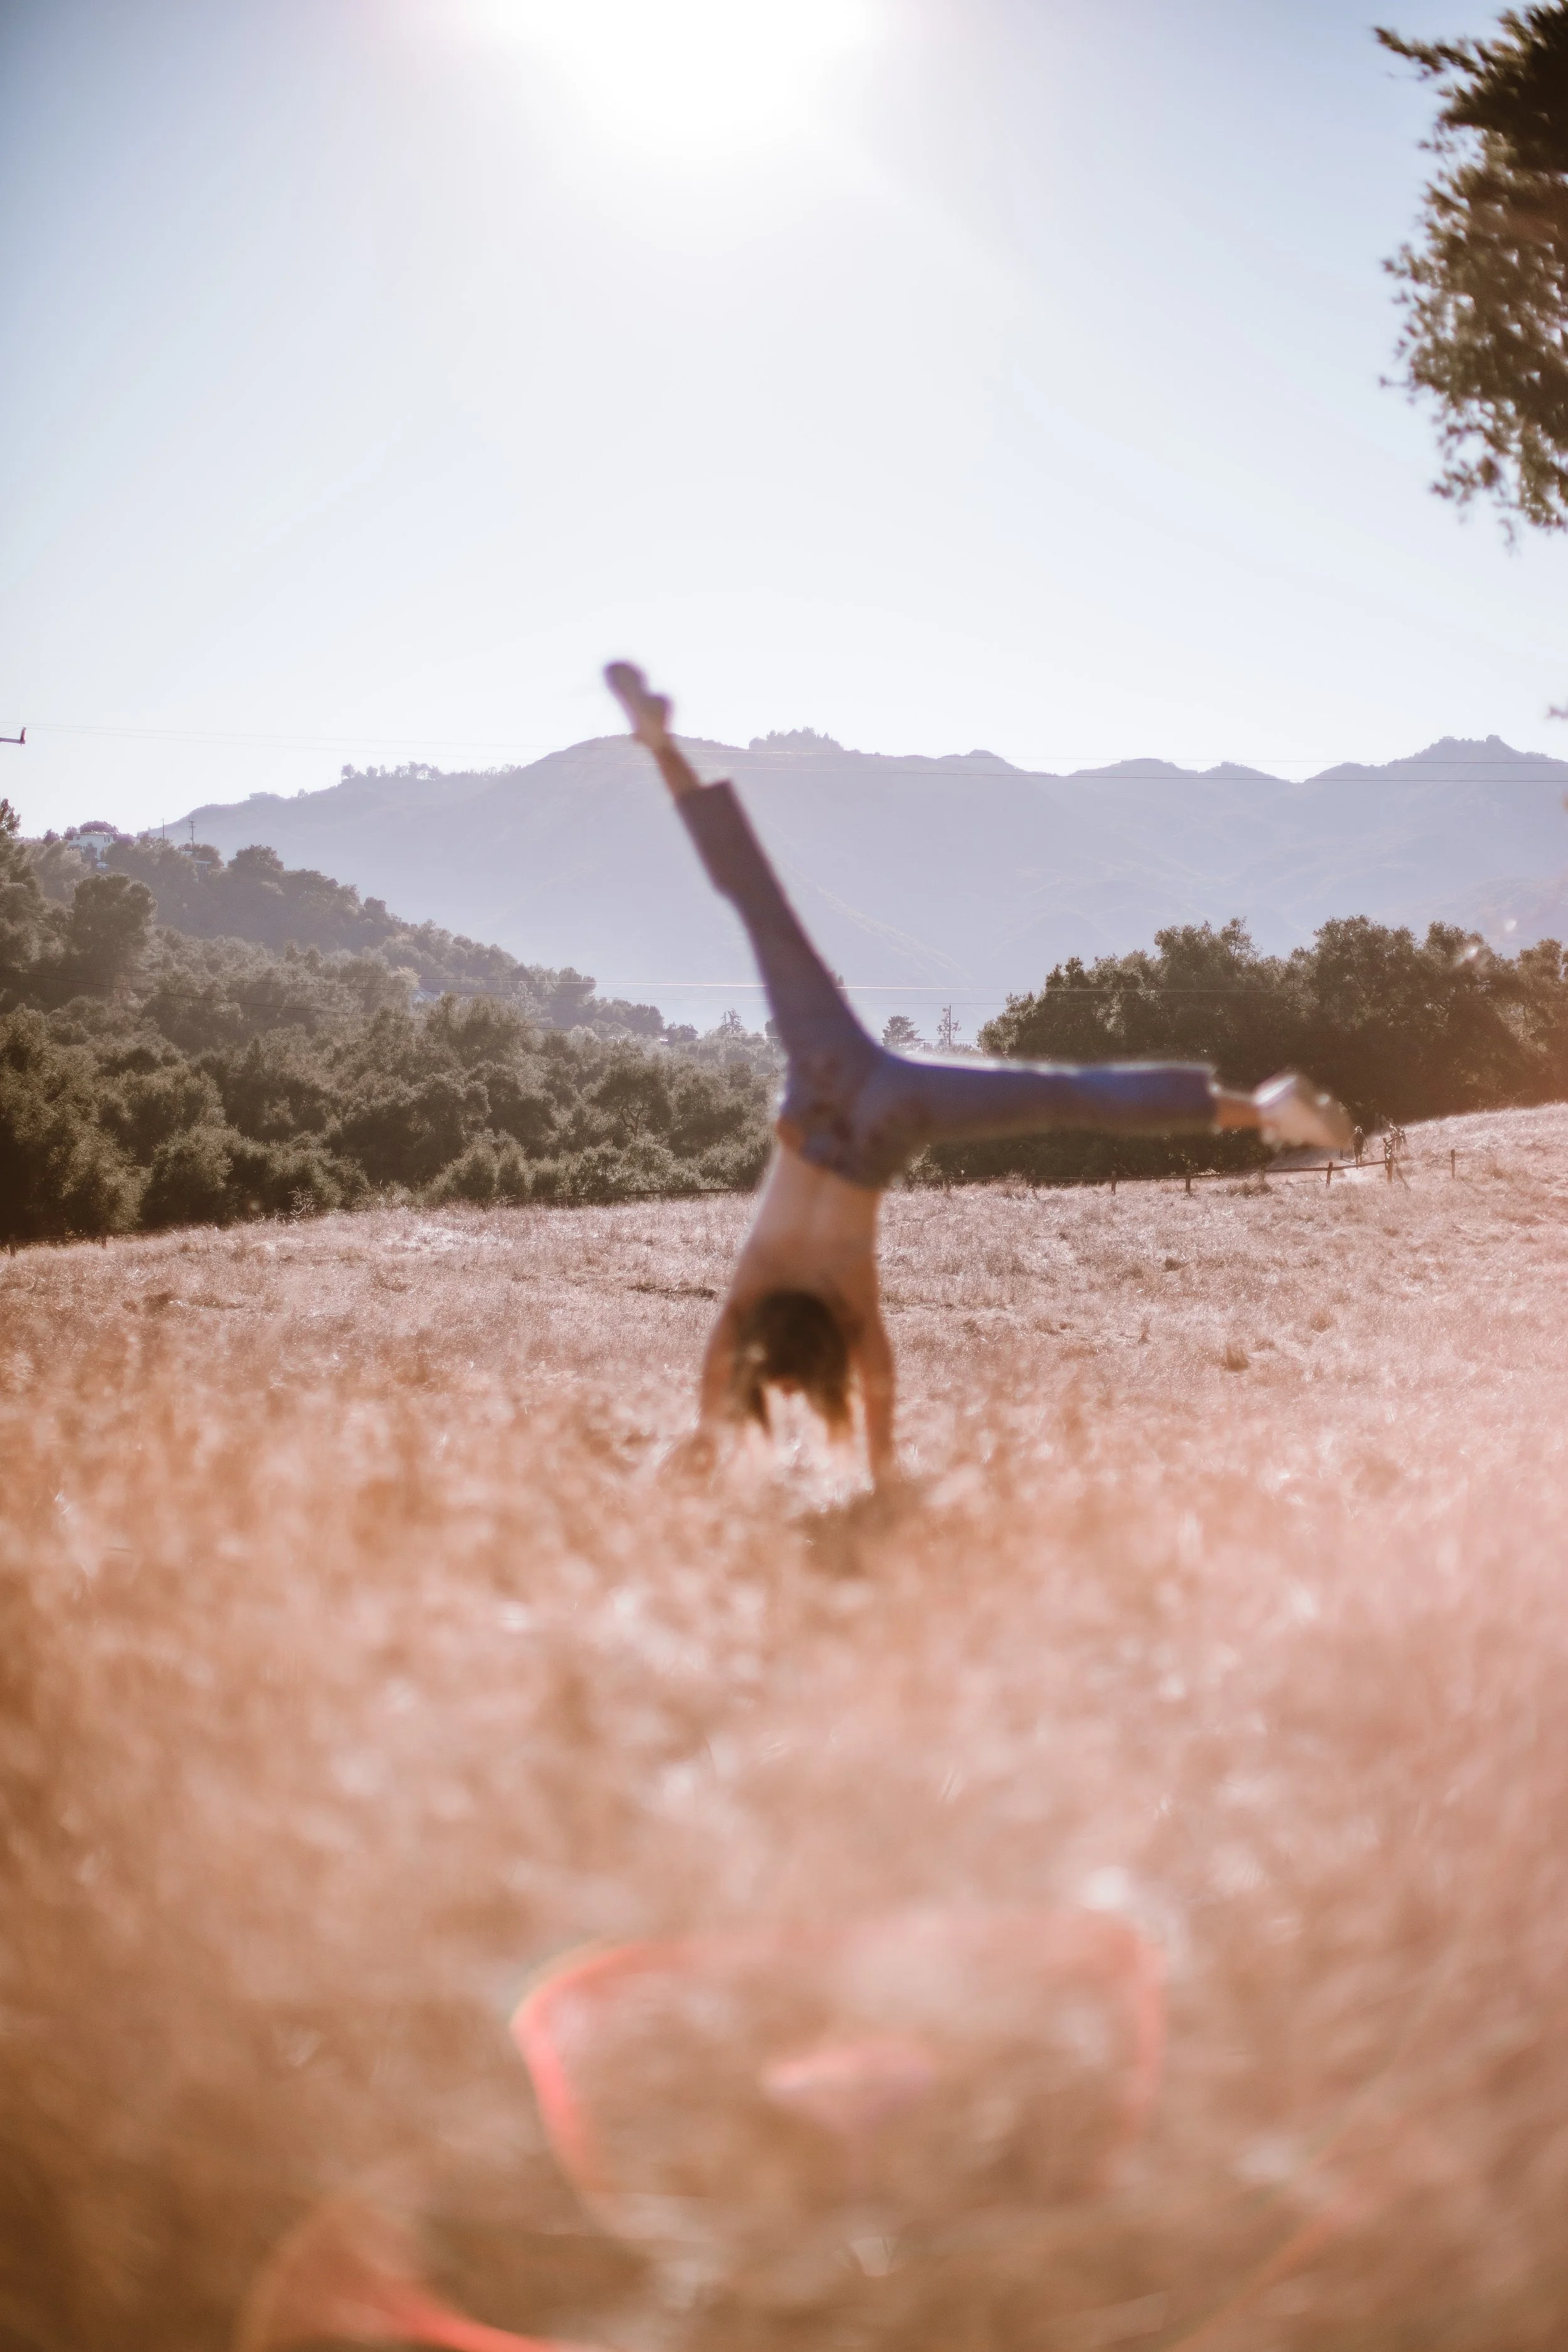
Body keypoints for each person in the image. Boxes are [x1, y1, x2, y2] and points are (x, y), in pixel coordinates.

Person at [606, 662, 1351, 1482]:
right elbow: (748, 1382)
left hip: (886, 1116)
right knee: (762, 906)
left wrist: (872, 1475)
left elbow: (874, 1390)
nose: (783, 1393)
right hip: (836, 1077)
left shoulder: (842, 1306)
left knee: (1062, 1098)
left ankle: (1266, 1113)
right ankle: (660, 745)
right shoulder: (754, 1297)